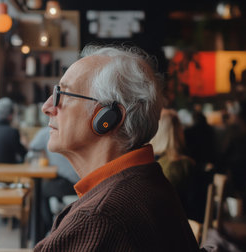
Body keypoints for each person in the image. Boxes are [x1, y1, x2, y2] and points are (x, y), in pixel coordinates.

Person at [34, 45, 200, 251]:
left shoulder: (99, 219)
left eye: (63, 94)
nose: (47, 107)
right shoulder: (148, 180)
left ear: (107, 118)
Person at [150, 109, 203, 222]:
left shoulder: (148, 165)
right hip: (185, 228)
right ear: (179, 131)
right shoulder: (188, 164)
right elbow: (197, 209)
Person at [28, 126, 79, 238]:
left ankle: (43, 230)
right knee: (46, 187)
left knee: (40, 191)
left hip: (71, 181)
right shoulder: (69, 129)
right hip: (79, 177)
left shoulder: (46, 132)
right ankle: (47, 227)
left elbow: (33, 147)